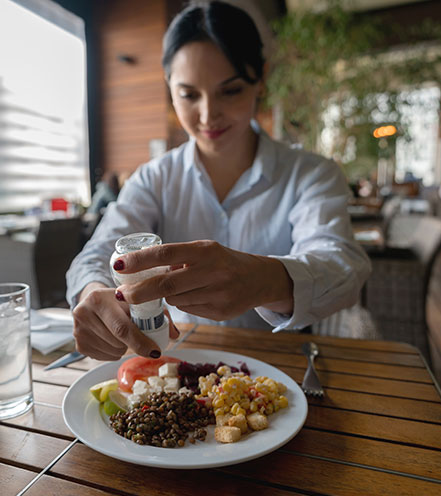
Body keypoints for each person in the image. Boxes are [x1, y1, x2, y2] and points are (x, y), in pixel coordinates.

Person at [65, 1, 371, 361]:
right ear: (169, 87)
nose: (208, 114)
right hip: (171, 364)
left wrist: (263, 279)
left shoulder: (310, 174)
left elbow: (343, 268)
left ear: (261, 79)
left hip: (281, 372)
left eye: (230, 90)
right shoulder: (155, 177)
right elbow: (96, 256)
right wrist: (94, 294)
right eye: (189, 94)